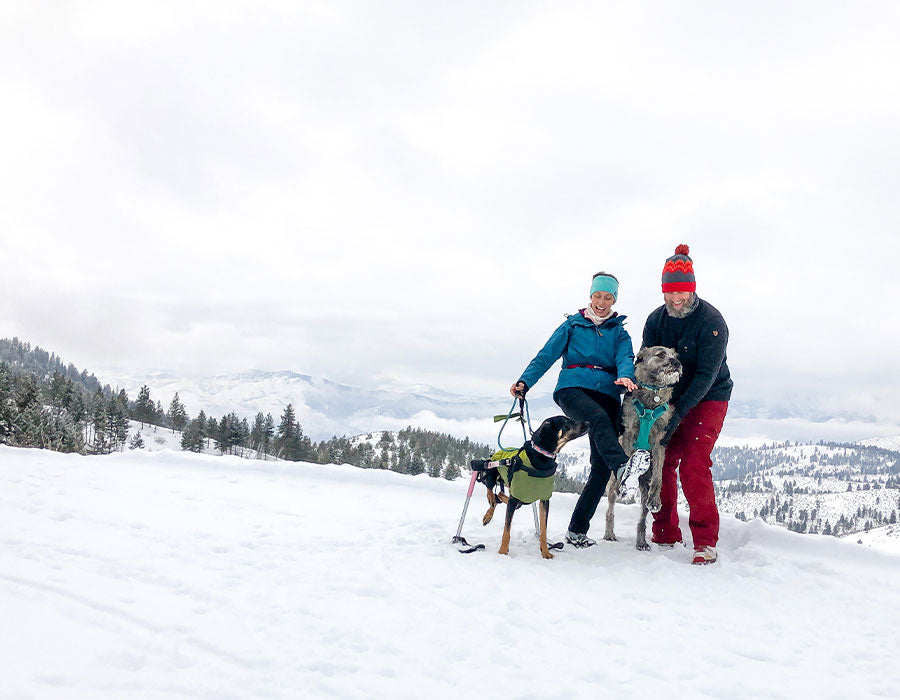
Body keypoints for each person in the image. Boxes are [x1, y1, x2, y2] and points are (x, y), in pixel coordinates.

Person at [510, 272, 637, 548]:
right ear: (590, 296)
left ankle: (577, 530)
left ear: (614, 300)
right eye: (598, 295)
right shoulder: (572, 325)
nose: (602, 302)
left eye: (608, 297)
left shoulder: (619, 332)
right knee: (597, 418)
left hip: (607, 392)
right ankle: (624, 466)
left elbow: (625, 357)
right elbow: (546, 355)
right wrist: (525, 381)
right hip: (573, 389)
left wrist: (627, 375)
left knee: (601, 469)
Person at [642, 244, 733, 565]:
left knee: (694, 462)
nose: (676, 299)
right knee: (662, 459)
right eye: (670, 293)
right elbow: (646, 366)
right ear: (663, 291)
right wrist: (650, 410)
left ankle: (705, 541)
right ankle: (665, 531)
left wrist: (677, 416)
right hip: (669, 396)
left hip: (709, 396)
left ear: (692, 289)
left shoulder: (712, 321)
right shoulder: (656, 320)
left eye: (682, 292)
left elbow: (706, 376)